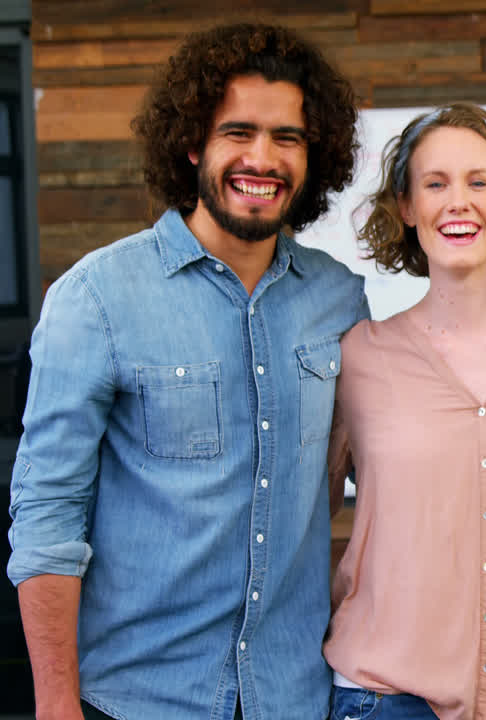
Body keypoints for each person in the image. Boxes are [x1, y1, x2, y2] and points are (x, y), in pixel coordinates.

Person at [7, 24, 367, 720]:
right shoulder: (96, 298)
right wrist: (54, 704)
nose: (262, 158)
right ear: (193, 142)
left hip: (294, 697)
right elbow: (47, 517)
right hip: (137, 701)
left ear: (313, 155)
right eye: (238, 132)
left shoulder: (339, 299)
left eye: (287, 137)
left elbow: (354, 479)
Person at [322, 103, 486, 720]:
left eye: (478, 182)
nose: (458, 202)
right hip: (384, 700)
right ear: (407, 207)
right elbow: (304, 523)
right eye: (435, 184)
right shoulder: (357, 358)